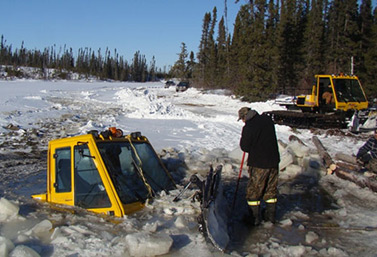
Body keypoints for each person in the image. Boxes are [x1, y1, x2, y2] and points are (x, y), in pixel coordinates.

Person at [238, 107, 280, 225]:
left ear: (244, 117)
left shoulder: (249, 127)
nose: (243, 121)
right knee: (270, 190)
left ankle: (254, 218)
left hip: (259, 163)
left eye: (242, 119)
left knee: (254, 191)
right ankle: (270, 217)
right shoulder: (267, 120)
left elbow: (245, 147)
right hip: (273, 161)